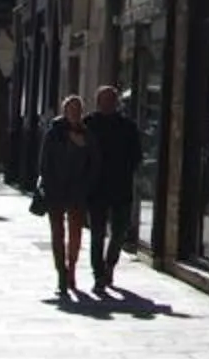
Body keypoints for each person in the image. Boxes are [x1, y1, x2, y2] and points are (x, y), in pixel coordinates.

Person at [37, 94, 96, 301]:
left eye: (78, 110)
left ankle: (71, 268)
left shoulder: (87, 134)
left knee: (76, 234)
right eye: (71, 109)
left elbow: (93, 163)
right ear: (65, 111)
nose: (75, 113)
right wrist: (49, 185)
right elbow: (44, 162)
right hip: (56, 192)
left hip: (77, 192)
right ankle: (61, 274)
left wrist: (84, 147)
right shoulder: (54, 133)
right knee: (57, 234)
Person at [85, 84, 143, 293]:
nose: (108, 103)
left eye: (111, 100)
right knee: (97, 234)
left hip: (121, 187)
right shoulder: (89, 124)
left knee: (119, 232)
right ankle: (98, 274)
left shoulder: (127, 126)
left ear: (116, 102)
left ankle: (110, 264)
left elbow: (136, 155)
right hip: (96, 188)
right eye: (104, 100)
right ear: (98, 102)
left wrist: (126, 168)